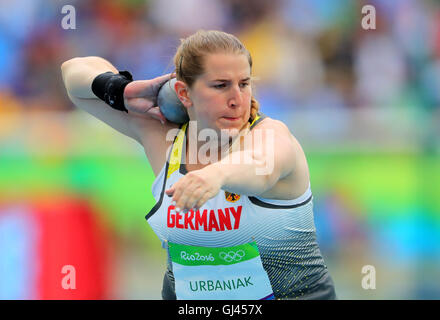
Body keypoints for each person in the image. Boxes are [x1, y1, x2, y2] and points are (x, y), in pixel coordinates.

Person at [61, 30, 336, 300]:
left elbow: (261, 168)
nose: (237, 99)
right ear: (184, 93)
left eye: (244, 84)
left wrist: (215, 175)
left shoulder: (270, 135)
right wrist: (121, 89)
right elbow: (73, 73)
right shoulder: (164, 139)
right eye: (220, 85)